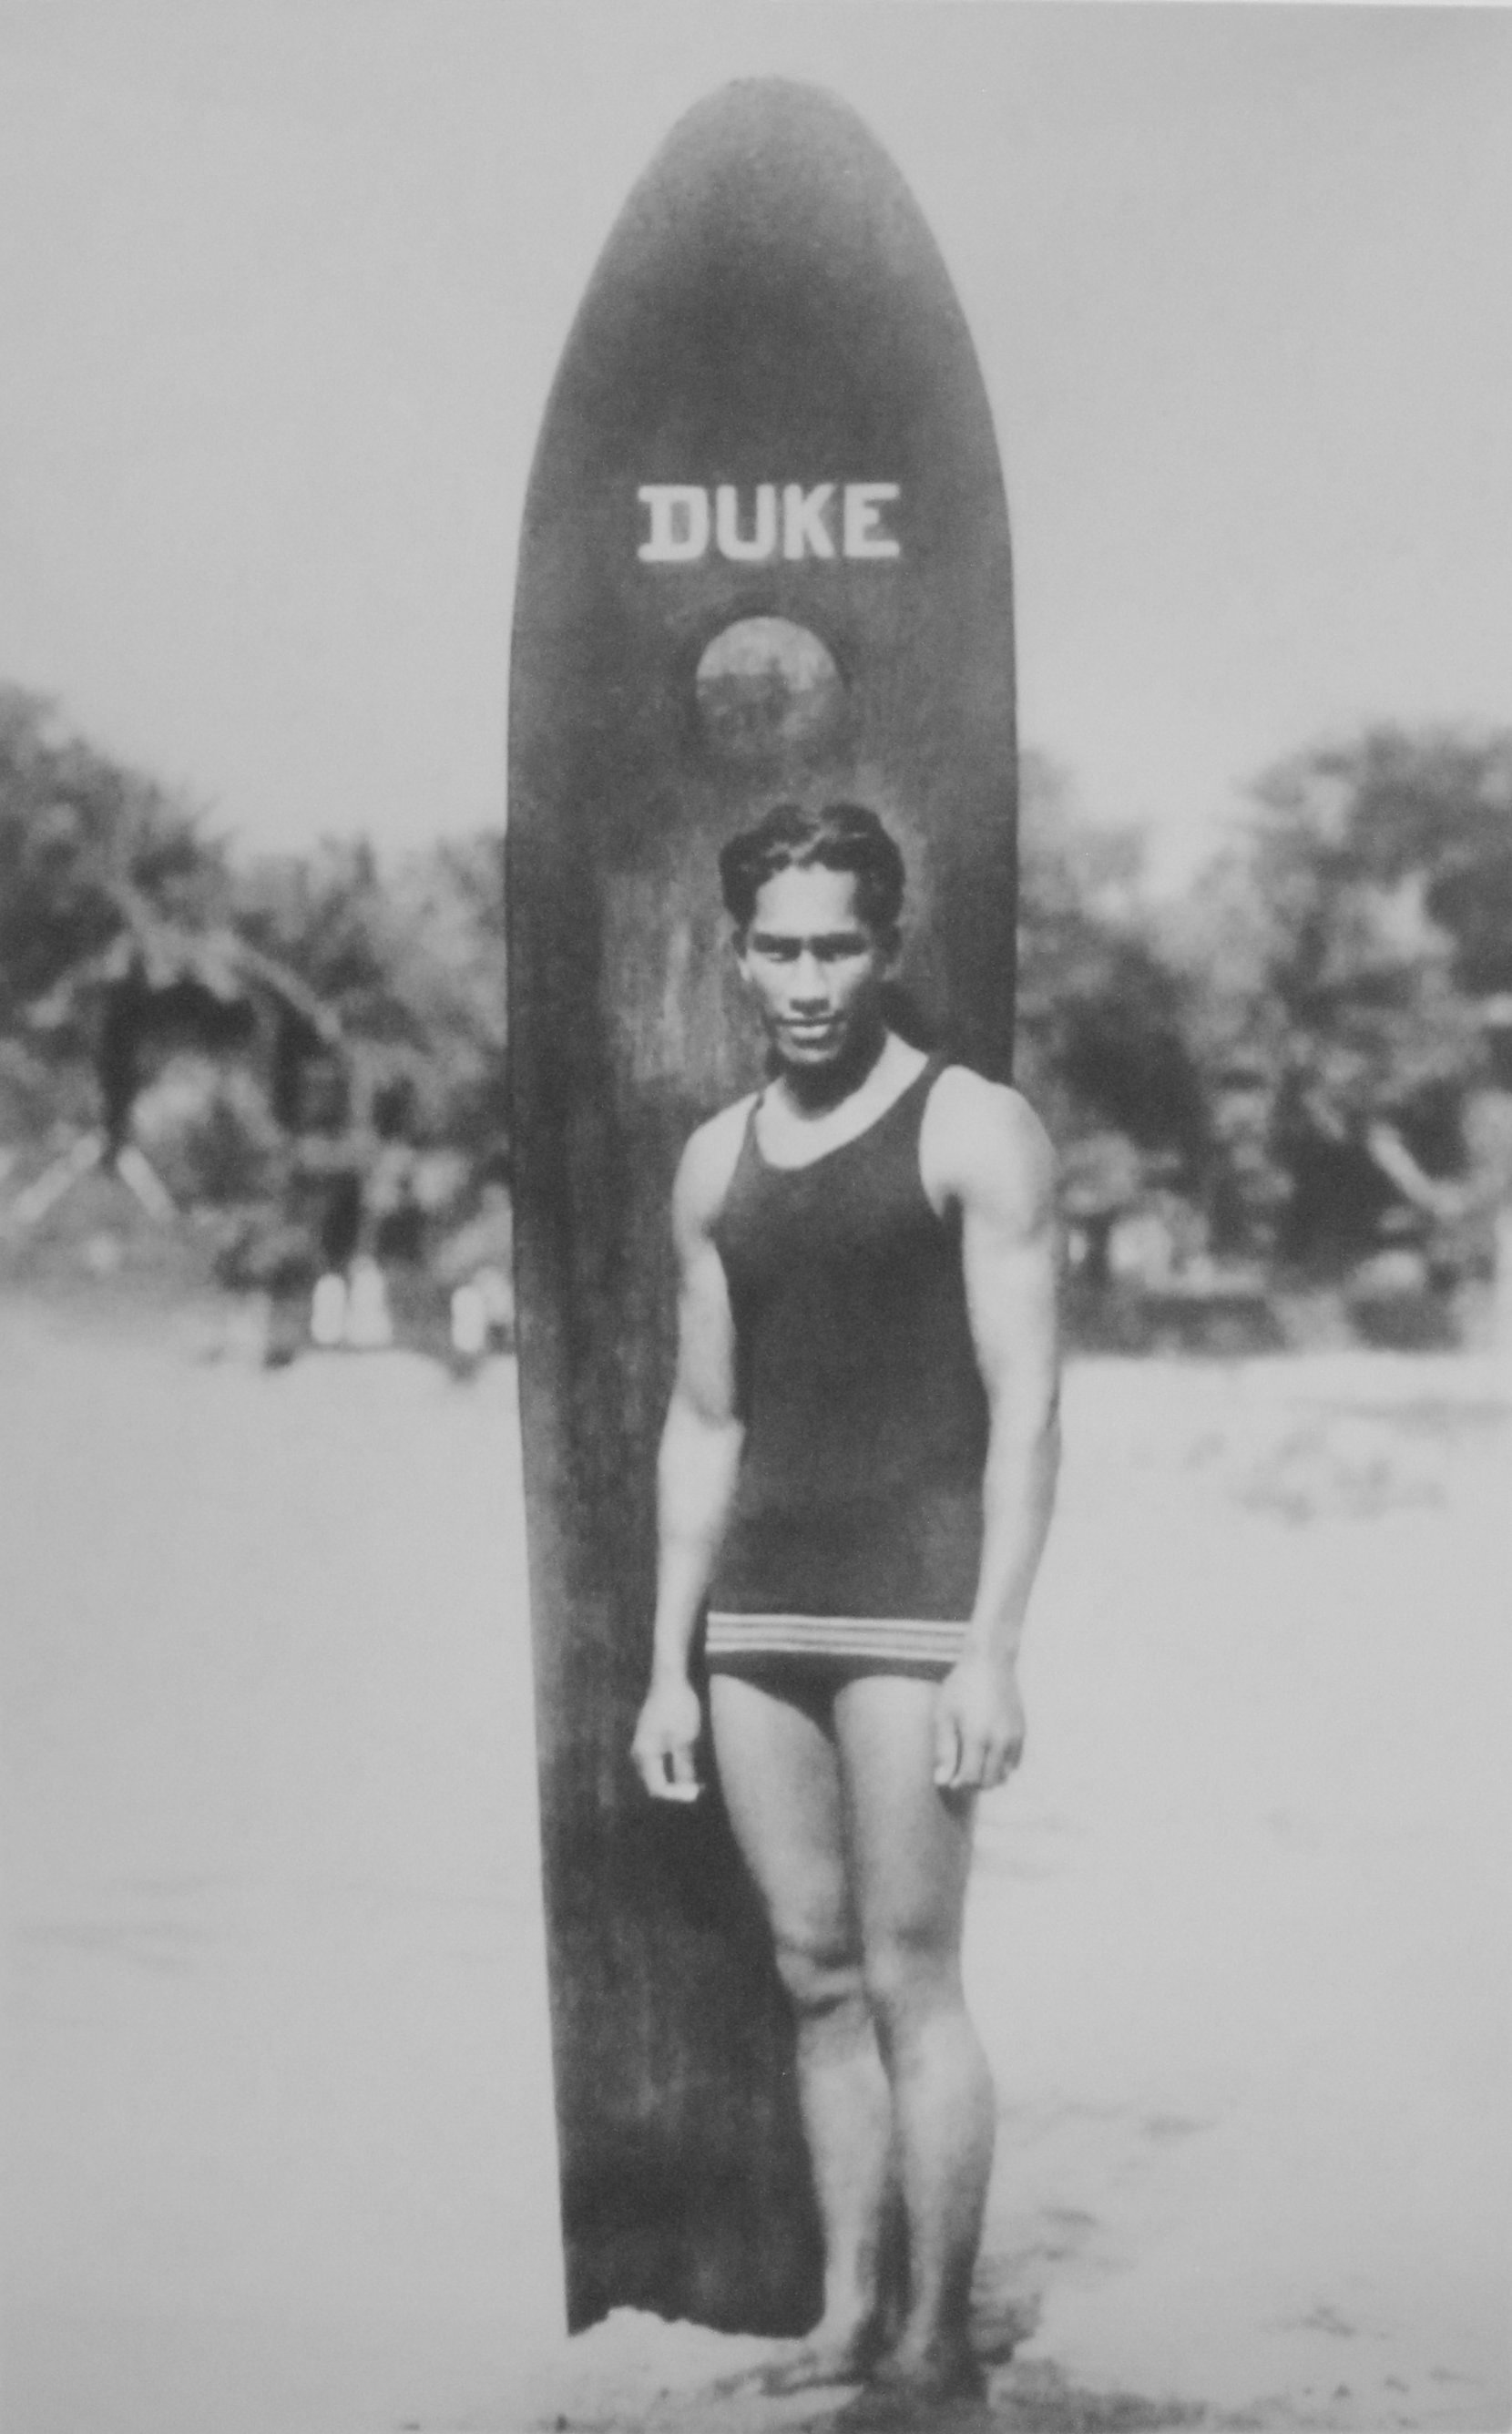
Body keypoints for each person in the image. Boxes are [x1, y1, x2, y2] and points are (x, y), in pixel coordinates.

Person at [631, 802, 1061, 2409]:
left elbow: (1028, 1409)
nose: (806, 979)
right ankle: (843, 2318)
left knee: (909, 1977)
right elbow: (706, 1422)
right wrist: (669, 1665)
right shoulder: (713, 1162)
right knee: (811, 1974)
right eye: (777, 947)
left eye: (836, 945)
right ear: (736, 956)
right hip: (759, 1616)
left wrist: (995, 1647)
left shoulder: (975, 1129)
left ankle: (938, 2348)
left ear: (884, 948)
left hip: (911, 1608)